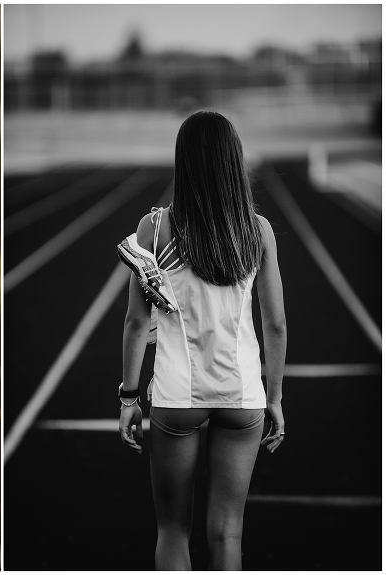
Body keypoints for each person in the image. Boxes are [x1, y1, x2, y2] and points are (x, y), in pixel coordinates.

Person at [118, 110, 286, 570]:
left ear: (183, 163)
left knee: (173, 529)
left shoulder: (154, 229)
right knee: (228, 531)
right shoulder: (259, 231)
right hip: (243, 393)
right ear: (235, 162)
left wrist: (128, 398)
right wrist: (274, 399)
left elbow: (136, 323)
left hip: (177, 394)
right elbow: (275, 325)